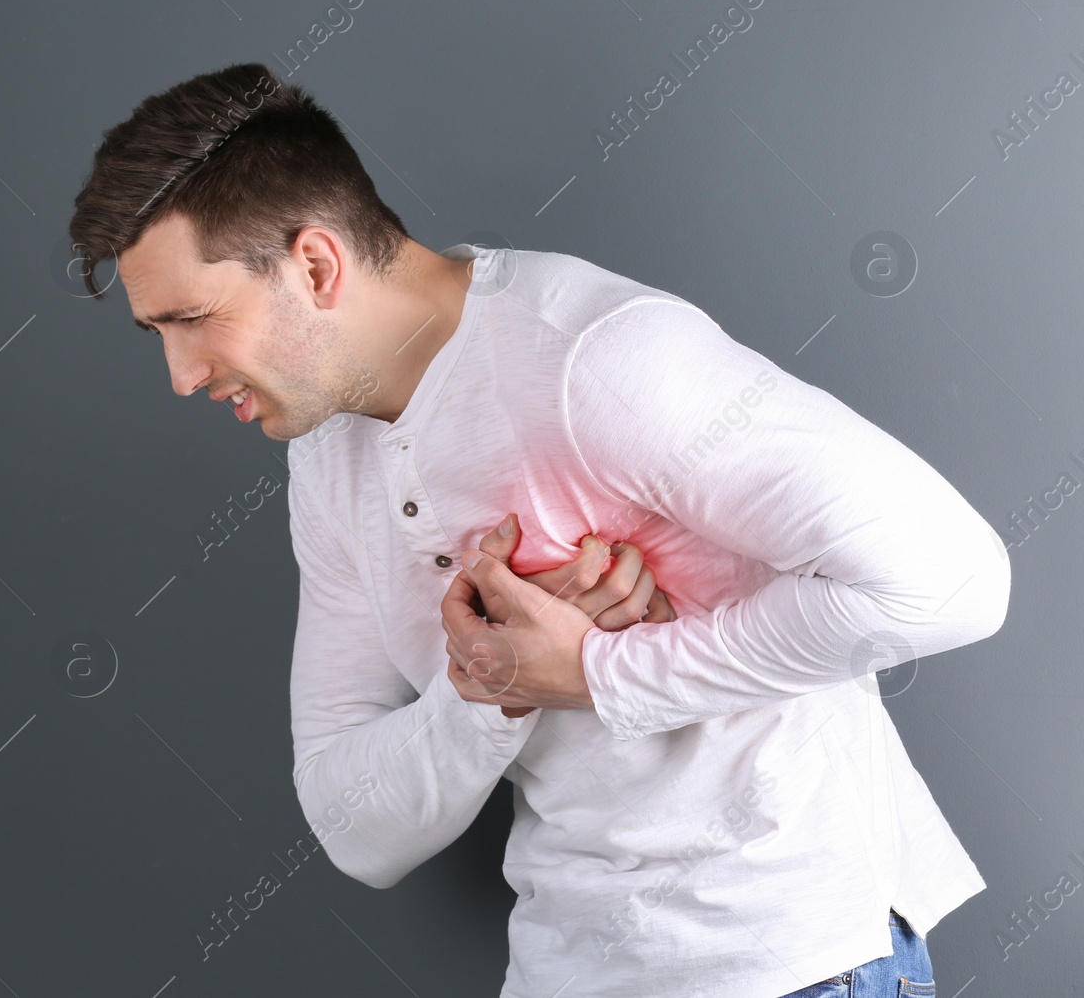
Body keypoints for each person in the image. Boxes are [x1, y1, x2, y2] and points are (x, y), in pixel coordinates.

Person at [68, 62, 1009, 997]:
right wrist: (489, 688)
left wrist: (599, 673)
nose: (182, 375)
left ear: (316, 265)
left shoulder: (594, 357)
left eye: (193, 319)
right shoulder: (323, 461)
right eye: (159, 332)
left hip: (784, 961)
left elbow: (954, 579)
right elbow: (353, 826)